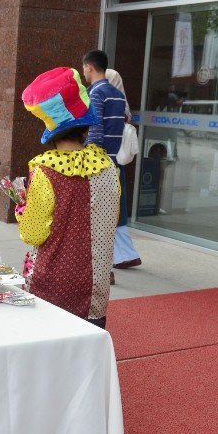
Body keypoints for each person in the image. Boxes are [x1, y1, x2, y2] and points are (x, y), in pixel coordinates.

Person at [17, 67, 121, 329]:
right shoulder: (108, 167)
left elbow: (33, 234)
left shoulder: (45, 171)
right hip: (94, 290)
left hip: (51, 286)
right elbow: (111, 220)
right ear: (85, 127)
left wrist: (22, 210)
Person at [83, 51, 142, 270]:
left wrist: (90, 159)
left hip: (99, 160)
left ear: (89, 67)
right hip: (114, 160)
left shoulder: (96, 93)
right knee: (111, 211)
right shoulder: (117, 96)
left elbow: (95, 129)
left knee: (97, 215)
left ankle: (104, 264)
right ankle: (115, 260)